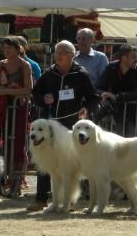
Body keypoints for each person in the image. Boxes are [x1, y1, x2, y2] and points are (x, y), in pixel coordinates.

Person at [30, 40, 98, 211]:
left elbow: (93, 97)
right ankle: (40, 199)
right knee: (46, 162)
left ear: (71, 55)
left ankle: (69, 201)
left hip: (71, 127)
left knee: (69, 166)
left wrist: (85, 108)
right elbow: (35, 94)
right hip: (50, 126)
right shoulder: (48, 73)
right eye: (57, 52)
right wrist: (44, 98)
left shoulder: (81, 74)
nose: (58, 56)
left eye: (62, 53)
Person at [0, 36, 33, 178]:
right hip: (4, 107)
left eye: (9, 48)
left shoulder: (25, 65)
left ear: (17, 49)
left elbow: (27, 89)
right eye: (4, 48)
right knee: (4, 139)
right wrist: (4, 90)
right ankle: (4, 175)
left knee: (18, 140)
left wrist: (5, 90)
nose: (6, 51)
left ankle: (18, 178)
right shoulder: (1, 64)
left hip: (20, 107)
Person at [96, 44, 137, 137]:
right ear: (124, 58)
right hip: (116, 114)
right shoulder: (111, 67)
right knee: (117, 143)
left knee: (131, 144)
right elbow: (98, 87)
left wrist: (116, 97)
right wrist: (104, 95)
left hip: (135, 114)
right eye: (134, 57)